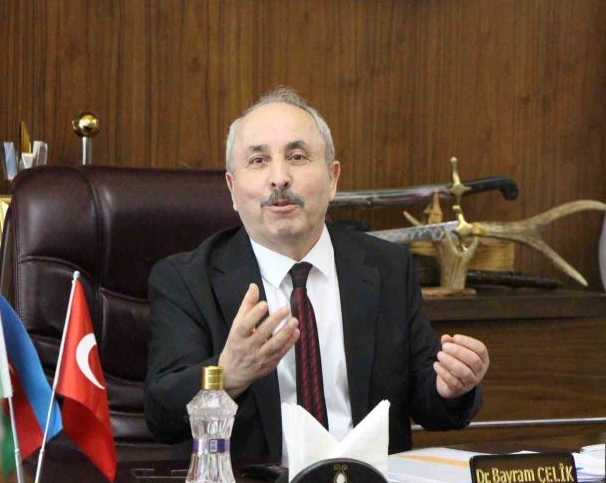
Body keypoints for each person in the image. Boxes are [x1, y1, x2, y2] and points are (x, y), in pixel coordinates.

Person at [144, 87, 489, 459]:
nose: (279, 178)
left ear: (333, 179)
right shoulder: (185, 280)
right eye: (258, 160)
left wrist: (453, 386)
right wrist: (227, 375)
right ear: (232, 188)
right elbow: (163, 416)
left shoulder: (386, 267)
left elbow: (428, 401)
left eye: (297, 157)